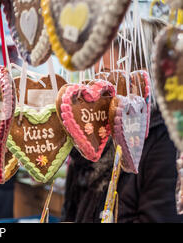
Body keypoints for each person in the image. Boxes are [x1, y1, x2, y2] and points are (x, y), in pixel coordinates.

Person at [61, 17, 183, 222]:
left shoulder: (167, 142)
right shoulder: (96, 137)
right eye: (97, 76)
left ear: (142, 81)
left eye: (108, 76)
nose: (97, 89)